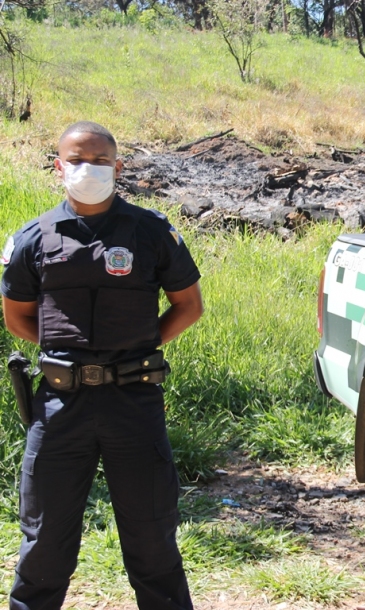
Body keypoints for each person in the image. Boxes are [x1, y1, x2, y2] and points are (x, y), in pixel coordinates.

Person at [1, 121, 203, 610]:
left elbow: (188, 306)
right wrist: (65, 354)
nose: (86, 168)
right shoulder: (33, 238)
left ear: (118, 166)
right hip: (58, 408)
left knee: (153, 540)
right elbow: (17, 319)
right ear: (57, 165)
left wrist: (133, 346)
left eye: (98, 159)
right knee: (44, 545)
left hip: (133, 402)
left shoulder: (152, 232)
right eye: (75, 159)